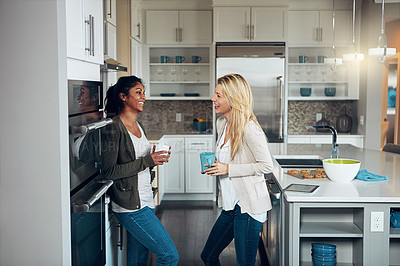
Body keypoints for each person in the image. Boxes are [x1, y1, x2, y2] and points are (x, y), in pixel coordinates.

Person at [101, 76, 179, 266]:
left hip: (144, 200)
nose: (143, 96)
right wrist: (147, 160)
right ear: (123, 96)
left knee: (138, 261)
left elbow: (137, 160)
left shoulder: (138, 125)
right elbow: (109, 171)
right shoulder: (113, 128)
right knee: (169, 257)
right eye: (138, 92)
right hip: (130, 207)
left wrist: (153, 158)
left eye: (144, 92)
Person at [201, 74, 274, 266]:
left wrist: (228, 169)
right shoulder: (222, 123)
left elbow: (266, 166)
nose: (213, 99)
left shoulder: (249, 128)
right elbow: (232, 158)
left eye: (218, 95)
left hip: (248, 207)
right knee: (208, 256)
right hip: (231, 205)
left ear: (233, 99)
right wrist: (216, 166)